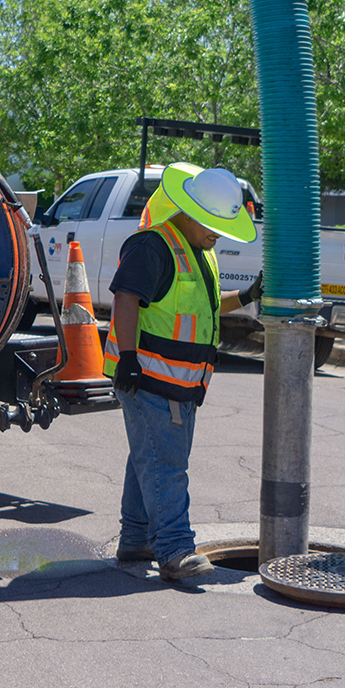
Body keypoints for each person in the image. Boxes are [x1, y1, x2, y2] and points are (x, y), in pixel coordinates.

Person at [103, 163, 263, 580]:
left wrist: (245, 296)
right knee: (166, 463)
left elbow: (206, 306)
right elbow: (125, 298)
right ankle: (175, 548)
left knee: (151, 458)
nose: (217, 233)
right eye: (211, 224)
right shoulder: (153, 246)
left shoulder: (199, 251)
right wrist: (128, 358)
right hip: (150, 378)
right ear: (188, 211)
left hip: (178, 381)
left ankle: (136, 538)